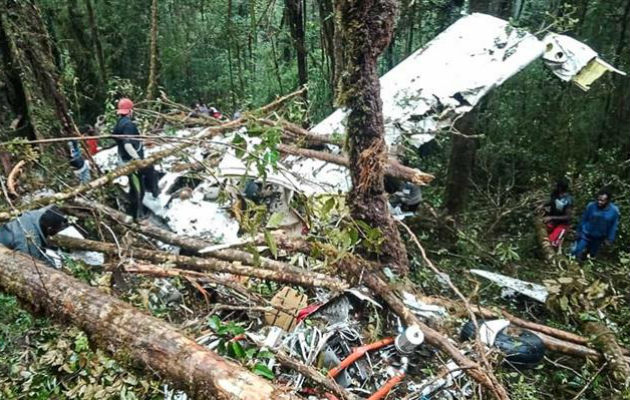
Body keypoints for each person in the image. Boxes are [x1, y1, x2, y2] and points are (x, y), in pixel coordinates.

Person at [112, 98, 159, 220]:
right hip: (132, 161)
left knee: (136, 186)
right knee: (139, 189)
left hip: (124, 159)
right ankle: (137, 215)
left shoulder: (119, 123)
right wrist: (138, 159)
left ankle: (134, 214)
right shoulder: (128, 125)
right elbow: (127, 144)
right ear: (130, 111)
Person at [0, 205, 68, 265]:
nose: (57, 232)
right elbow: (33, 263)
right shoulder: (30, 241)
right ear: (49, 229)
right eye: (57, 230)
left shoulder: (33, 215)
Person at [571, 188, 620, 261]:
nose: (599, 202)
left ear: (608, 201)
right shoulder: (591, 206)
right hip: (586, 234)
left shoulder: (614, 211)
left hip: (598, 237)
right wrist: (578, 231)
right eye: (598, 200)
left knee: (591, 255)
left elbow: (613, 226)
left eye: (602, 201)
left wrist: (610, 239)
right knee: (577, 250)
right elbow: (584, 219)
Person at [543, 178, 573, 247]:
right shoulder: (555, 194)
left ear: (560, 188)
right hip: (553, 221)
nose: (554, 187)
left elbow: (568, 217)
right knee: (543, 230)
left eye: (556, 186)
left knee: (551, 243)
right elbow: (552, 202)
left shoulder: (568, 200)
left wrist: (551, 217)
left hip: (562, 224)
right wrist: (543, 205)